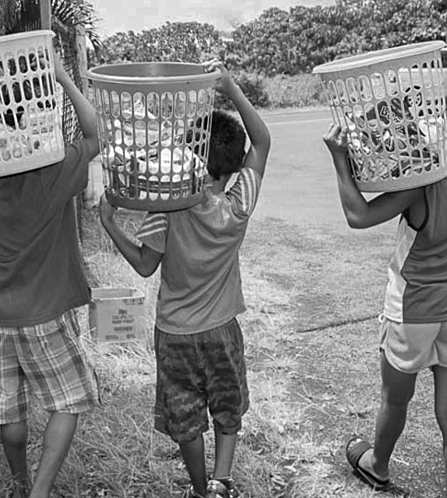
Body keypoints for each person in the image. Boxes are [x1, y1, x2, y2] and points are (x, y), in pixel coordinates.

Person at [98, 60, 270, 498]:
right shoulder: (237, 207)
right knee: (227, 407)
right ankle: (222, 479)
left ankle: (199, 489)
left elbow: (144, 265)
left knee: (186, 416)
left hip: (174, 332)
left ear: (189, 154)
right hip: (222, 329)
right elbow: (263, 140)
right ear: (231, 169)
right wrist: (230, 87)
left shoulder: (167, 209)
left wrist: (109, 221)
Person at [322, 95, 447, 498]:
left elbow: (358, 216)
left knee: (395, 401)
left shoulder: (424, 186)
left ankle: (377, 467)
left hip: (411, 315)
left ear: (441, 136)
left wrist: (338, 158)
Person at [0, 52, 101, 498]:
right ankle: (39, 492)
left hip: (0, 313)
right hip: (45, 311)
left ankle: (18, 481)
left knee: (10, 409)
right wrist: (63, 76)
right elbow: (94, 132)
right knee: (69, 400)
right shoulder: (52, 172)